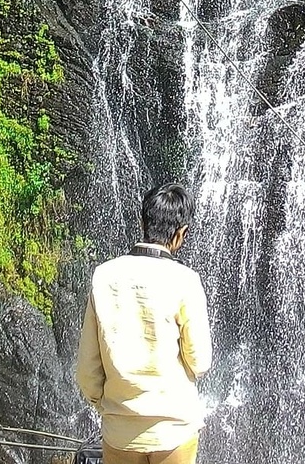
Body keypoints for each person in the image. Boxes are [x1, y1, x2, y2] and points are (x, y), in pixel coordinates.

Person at [76, 183, 213, 464]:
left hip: (120, 429)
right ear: (180, 235)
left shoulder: (104, 276)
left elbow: (87, 370)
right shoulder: (186, 280)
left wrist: (108, 407)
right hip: (174, 426)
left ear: (143, 222)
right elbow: (199, 362)